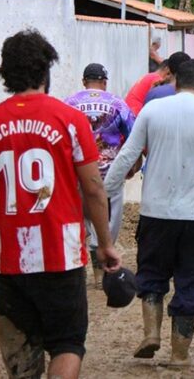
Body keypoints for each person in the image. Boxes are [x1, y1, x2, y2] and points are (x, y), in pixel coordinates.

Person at [0, 29, 121, 379]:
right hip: (60, 253)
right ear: (46, 72)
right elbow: (95, 189)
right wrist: (105, 244)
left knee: (22, 358)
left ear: (5, 74)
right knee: (68, 343)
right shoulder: (70, 120)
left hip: (8, 258)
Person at [104, 59, 194, 366]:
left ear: (175, 84)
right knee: (193, 280)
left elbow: (127, 155)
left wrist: (105, 192)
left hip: (156, 213)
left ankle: (151, 333)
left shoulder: (152, 111)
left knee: (153, 273)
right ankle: (179, 354)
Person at [64, 63, 137, 287]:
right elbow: (133, 134)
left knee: (83, 218)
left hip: (77, 172)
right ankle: (102, 269)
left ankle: (90, 267)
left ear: (84, 81)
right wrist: (132, 165)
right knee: (108, 220)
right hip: (109, 174)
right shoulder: (117, 104)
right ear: (104, 82)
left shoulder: (69, 104)